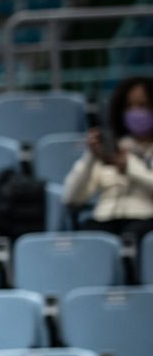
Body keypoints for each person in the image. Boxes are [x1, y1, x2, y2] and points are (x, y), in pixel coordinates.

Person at [63, 76, 153, 243]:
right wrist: (91, 157)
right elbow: (71, 197)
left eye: (143, 105)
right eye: (129, 106)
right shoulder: (111, 147)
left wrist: (128, 167)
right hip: (104, 219)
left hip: (145, 220)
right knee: (87, 236)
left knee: (132, 235)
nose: (135, 112)